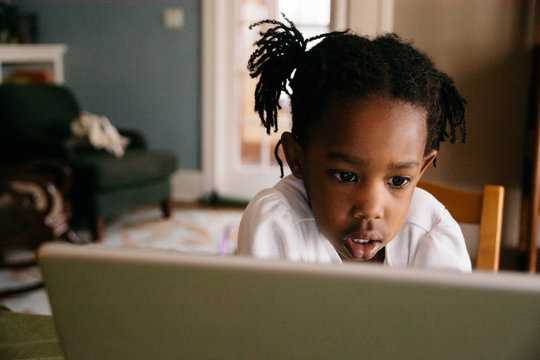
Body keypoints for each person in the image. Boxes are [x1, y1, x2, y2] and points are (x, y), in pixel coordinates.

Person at [237, 16, 472, 272]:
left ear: (421, 170)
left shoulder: (431, 234)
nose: (370, 209)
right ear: (297, 158)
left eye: (398, 180)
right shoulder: (278, 224)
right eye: (346, 176)